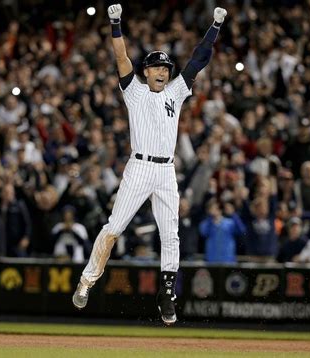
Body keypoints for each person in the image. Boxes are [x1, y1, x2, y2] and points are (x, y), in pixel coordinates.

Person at [72, 3, 227, 325]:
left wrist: (214, 27)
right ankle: (87, 281)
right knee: (114, 228)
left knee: (171, 236)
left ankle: (166, 296)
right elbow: (120, 58)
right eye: (156, 67)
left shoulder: (176, 92)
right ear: (146, 71)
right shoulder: (135, 93)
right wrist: (115, 23)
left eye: (166, 68)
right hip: (140, 167)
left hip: (166, 170)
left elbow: (198, 59)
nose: (162, 72)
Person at [199, 199, 246, 263]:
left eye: (216, 208)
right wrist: (210, 218)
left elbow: (242, 230)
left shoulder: (229, 222)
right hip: (212, 259)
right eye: (212, 208)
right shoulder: (205, 223)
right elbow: (203, 233)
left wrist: (233, 214)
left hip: (228, 259)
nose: (214, 210)